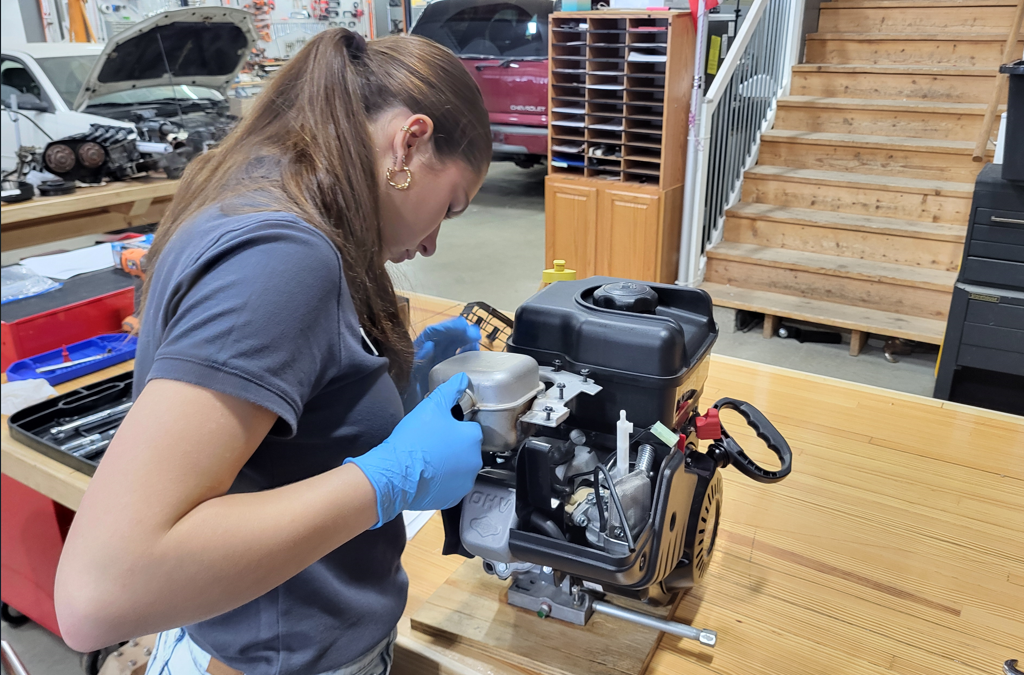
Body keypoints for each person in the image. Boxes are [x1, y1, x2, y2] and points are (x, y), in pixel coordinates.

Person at [53, 29, 492, 675]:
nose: (429, 244)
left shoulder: (262, 190)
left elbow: (275, 439)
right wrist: (388, 478)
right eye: (448, 207)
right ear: (410, 140)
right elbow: (100, 594)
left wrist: (384, 392)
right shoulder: (285, 254)